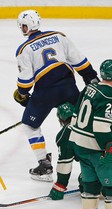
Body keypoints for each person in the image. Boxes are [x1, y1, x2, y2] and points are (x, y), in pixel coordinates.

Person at [13, 10, 100, 182]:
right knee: (79, 122)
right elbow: (79, 60)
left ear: (26, 26)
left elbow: (26, 81)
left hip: (45, 92)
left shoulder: (24, 49)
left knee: (30, 125)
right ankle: (96, 159)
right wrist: (90, 77)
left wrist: (22, 95)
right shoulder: (59, 36)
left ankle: (44, 165)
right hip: (68, 87)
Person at [70, 59, 112, 209]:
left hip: (79, 144)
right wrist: (109, 149)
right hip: (96, 148)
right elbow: (101, 128)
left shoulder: (90, 87)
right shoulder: (111, 95)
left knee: (90, 186)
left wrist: (74, 143)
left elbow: (75, 114)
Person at [49, 102, 112, 200]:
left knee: (86, 184)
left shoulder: (64, 135)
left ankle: (107, 187)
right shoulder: (92, 118)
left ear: (61, 120)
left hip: (101, 162)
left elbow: (65, 164)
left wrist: (60, 186)